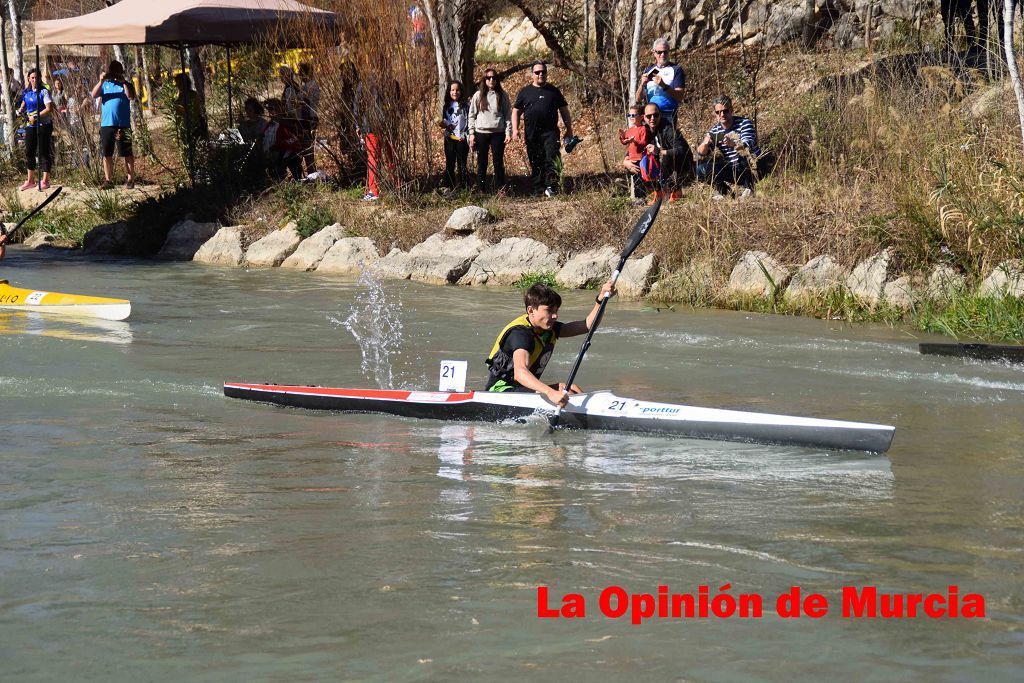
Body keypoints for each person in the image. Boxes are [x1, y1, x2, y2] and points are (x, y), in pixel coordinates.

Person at [486, 280, 617, 406]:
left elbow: (587, 326)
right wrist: (550, 392)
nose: (555, 316)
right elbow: (520, 373)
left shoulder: (549, 329)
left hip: (523, 391)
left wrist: (600, 300)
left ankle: (592, 412)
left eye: (556, 310)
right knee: (561, 392)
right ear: (531, 310)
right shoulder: (520, 334)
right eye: (549, 311)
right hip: (500, 393)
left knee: (571, 388)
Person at [511, 61, 575, 198]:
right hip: (532, 133)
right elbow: (516, 111)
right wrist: (515, 129)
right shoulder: (525, 92)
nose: (540, 74)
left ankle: (552, 186)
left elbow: (564, 111)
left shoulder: (553, 91)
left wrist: (569, 129)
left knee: (551, 157)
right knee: (535, 160)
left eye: (543, 72)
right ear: (532, 74)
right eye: (537, 72)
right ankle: (538, 189)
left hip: (550, 132)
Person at [695, 95, 764, 199]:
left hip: (753, 167)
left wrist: (734, 144)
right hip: (734, 169)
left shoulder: (744, 123)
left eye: (725, 111)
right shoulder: (715, 131)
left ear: (731, 110)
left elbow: (748, 144)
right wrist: (705, 143)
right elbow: (701, 153)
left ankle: (749, 189)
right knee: (701, 169)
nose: (722, 114)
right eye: (718, 112)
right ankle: (726, 193)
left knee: (743, 154)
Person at [90, 60, 136, 189]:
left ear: (121, 72)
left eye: (117, 72)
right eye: (112, 72)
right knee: (106, 153)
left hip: (123, 124)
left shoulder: (126, 84)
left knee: (127, 152)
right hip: (107, 124)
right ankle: (108, 181)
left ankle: (130, 179)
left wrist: (123, 81)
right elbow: (93, 95)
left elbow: (131, 96)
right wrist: (101, 80)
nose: (114, 75)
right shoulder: (105, 84)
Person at [468, 67, 512, 194]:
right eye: (488, 78)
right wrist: (471, 133)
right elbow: (471, 115)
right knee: (482, 163)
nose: (491, 80)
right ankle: (482, 189)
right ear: (484, 80)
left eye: (494, 77)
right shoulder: (478, 95)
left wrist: (508, 132)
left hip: (498, 133)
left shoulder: (502, 95)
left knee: (498, 163)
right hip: (481, 132)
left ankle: (501, 189)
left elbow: (507, 114)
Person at [641, 103, 693, 203]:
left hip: (682, 164)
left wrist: (660, 151)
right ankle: (657, 191)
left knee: (665, 156)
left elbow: (682, 150)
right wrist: (627, 159)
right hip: (664, 167)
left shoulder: (669, 129)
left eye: (655, 115)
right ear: (644, 117)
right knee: (643, 160)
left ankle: (675, 191)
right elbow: (637, 147)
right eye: (649, 116)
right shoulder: (646, 130)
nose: (652, 118)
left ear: (660, 115)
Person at [16, 69, 55, 191]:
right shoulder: (27, 93)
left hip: (43, 125)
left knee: (43, 152)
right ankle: (30, 180)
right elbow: (23, 105)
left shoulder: (44, 92)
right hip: (30, 126)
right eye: (32, 78)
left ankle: (45, 180)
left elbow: (49, 108)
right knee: (29, 152)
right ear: (28, 79)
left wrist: (36, 116)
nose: (34, 80)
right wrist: (19, 111)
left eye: (36, 77)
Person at [635, 38, 685, 127]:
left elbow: (680, 96)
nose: (663, 55)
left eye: (665, 52)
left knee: (667, 140)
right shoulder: (648, 70)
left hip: (668, 114)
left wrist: (664, 86)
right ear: (654, 53)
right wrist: (642, 85)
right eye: (659, 52)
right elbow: (638, 99)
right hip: (650, 115)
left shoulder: (676, 69)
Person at [438, 80, 469, 191]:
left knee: (462, 164)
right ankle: (449, 186)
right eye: (452, 90)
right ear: (449, 92)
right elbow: (445, 122)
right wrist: (442, 124)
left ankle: (463, 187)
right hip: (449, 139)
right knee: (450, 163)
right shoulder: (446, 106)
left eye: (457, 90)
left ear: (461, 91)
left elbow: (469, 123)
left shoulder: (466, 106)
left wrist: (465, 135)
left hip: (461, 139)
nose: (455, 92)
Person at [264, 98, 303, 181]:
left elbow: (295, 139)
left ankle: (296, 180)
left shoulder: (287, 122)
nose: (270, 112)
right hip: (273, 153)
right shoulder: (270, 125)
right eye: (268, 109)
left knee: (292, 158)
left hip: (288, 152)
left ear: (279, 109)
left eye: (272, 109)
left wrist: (279, 145)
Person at [619, 104, 649, 199]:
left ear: (641, 117)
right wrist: (623, 136)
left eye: (633, 115)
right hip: (631, 158)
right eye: (629, 115)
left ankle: (641, 198)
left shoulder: (643, 129)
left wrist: (634, 141)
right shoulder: (630, 130)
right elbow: (624, 142)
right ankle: (636, 198)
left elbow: (644, 142)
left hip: (639, 158)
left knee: (640, 180)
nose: (631, 117)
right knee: (634, 179)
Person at [297, 62, 320, 176]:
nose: (298, 74)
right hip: (307, 119)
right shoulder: (308, 85)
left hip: (309, 119)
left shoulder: (310, 85)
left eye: (300, 72)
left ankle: (312, 173)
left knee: (308, 150)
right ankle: (311, 173)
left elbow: (306, 102)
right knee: (306, 149)